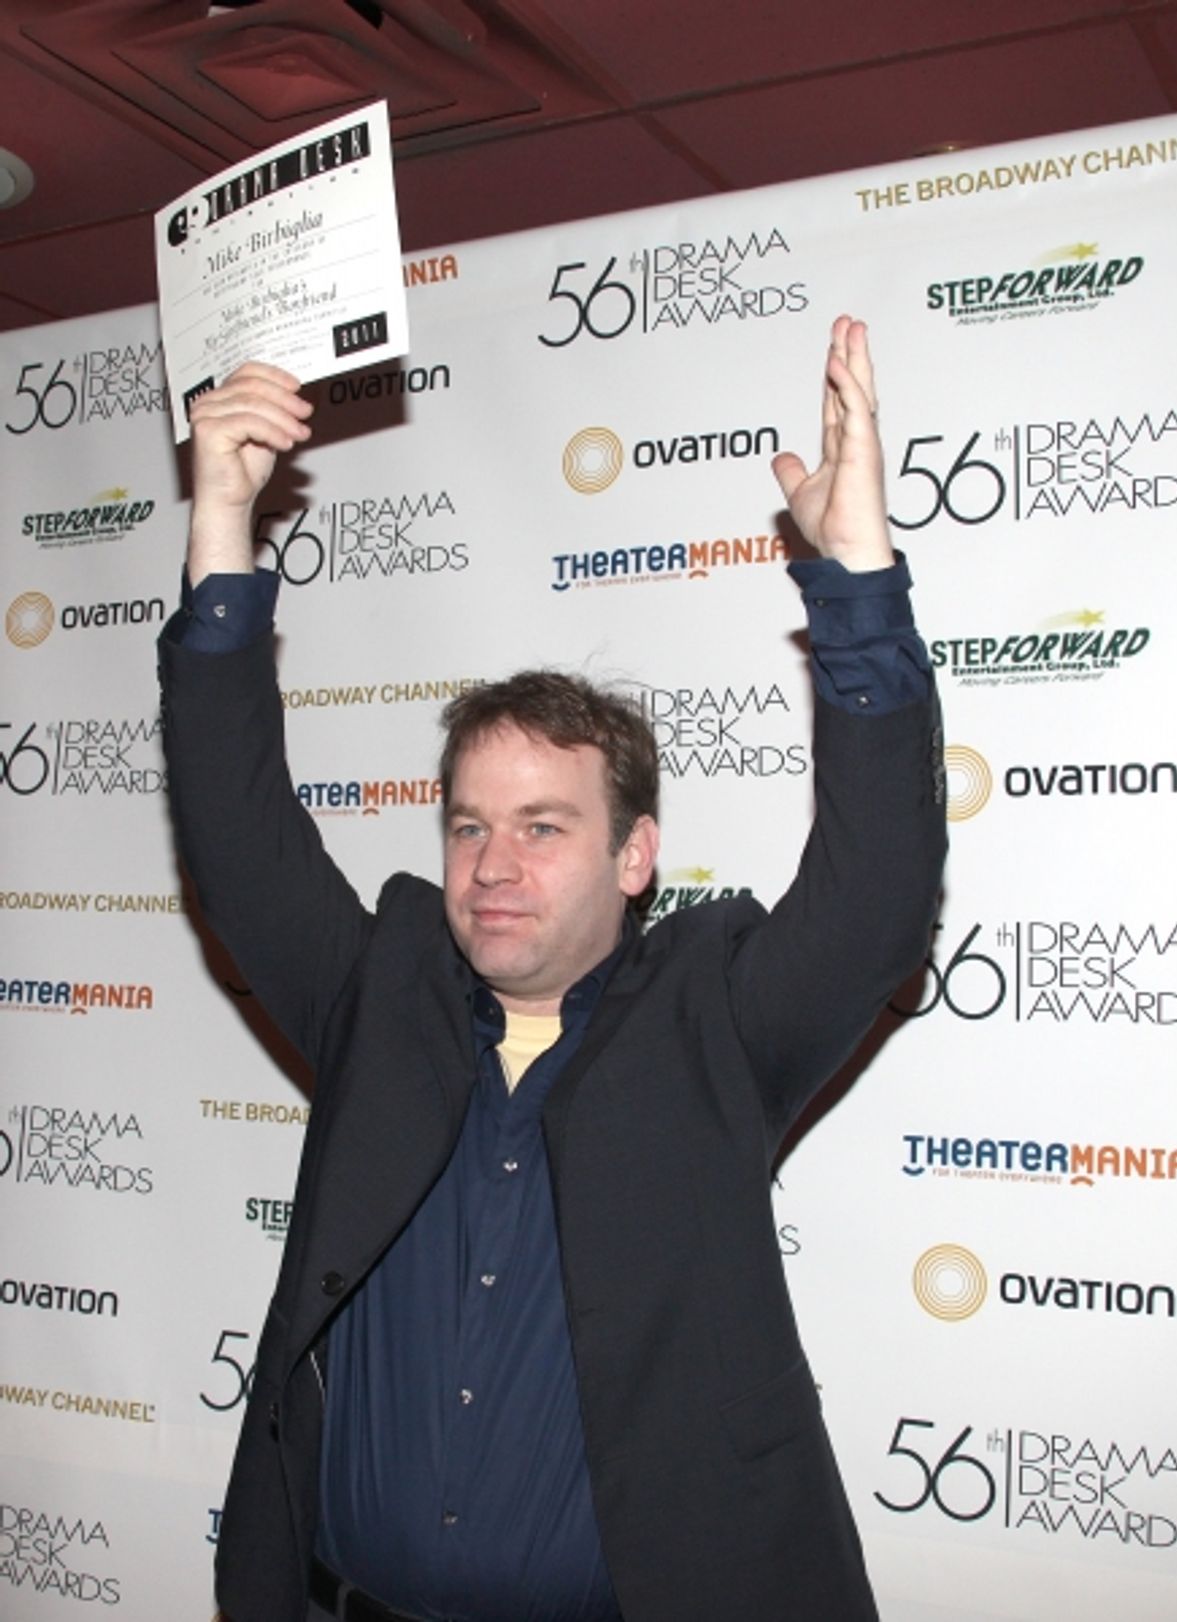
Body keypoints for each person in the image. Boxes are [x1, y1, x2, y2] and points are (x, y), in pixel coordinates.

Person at [159, 317, 946, 1622]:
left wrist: (855, 574)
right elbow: (236, 834)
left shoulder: (714, 1019)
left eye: (543, 826)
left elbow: (876, 894)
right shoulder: (382, 998)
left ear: (637, 855)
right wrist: (224, 524)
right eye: (469, 825)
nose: (492, 863)